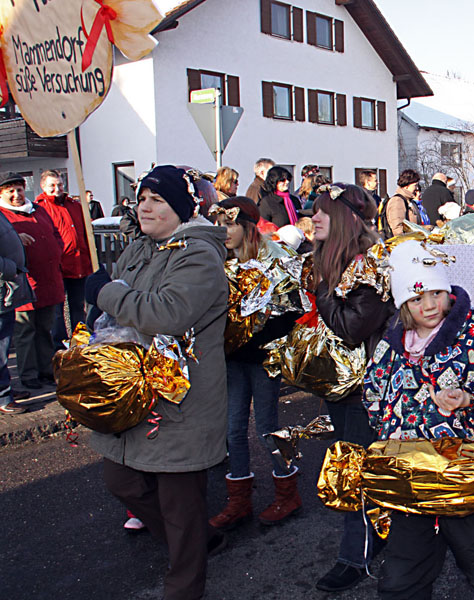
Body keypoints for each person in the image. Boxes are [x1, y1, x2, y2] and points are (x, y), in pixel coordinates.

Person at [84, 165, 229, 600]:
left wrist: (104, 293)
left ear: (181, 209)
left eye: (157, 200)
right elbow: (115, 305)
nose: (144, 207)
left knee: (179, 504)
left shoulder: (198, 254)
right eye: (142, 198)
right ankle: (198, 544)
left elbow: (167, 313)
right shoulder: (140, 247)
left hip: (181, 398)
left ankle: (184, 584)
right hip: (133, 390)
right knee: (122, 481)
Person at [363, 240, 474, 599]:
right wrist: (391, 434)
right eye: (417, 299)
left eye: (436, 293)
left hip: (462, 472)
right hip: (410, 478)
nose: (429, 306)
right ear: (404, 304)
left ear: (448, 292)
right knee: (402, 575)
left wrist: (469, 398)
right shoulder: (392, 346)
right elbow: (372, 393)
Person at [310, 183, 394, 592]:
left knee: (357, 468)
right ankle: (377, 535)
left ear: (348, 220)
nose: (314, 217)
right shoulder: (329, 260)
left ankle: (355, 557)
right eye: (313, 210)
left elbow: (350, 327)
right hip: (341, 385)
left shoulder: (368, 265)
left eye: (324, 211)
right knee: (355, 461)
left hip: (367, 388)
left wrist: (320, 288)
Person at [208, 197, 302, 530]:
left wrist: (260, 327)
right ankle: (239, 500)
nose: (224, 231)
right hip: (232, 360)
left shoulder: (276, 258)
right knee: (233, 428)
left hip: (263, 359)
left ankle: (287, 490)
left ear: (248, 226)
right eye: (219, 223)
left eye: (230, 223)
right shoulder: (218, 261)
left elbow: (294, 310)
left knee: (266, 428)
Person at [2, 174, 64, 391]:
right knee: (25, 330)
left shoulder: (38, 210)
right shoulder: (3, 216)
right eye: (10, 190)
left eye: (19, 189)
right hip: (22, 281)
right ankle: (28, 374)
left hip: (48, 279)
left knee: (45, 328)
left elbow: (55, 235)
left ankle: (46, 370)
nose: (16, 194)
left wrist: (56, 252)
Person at [34, 170, 92, 350]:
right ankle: (58, 346)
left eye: (59, 185)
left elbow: (84, 232)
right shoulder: (40, 207)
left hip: (79, 263)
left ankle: (80, 343)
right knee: (57, 310)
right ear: (44, 187)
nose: (57, 189)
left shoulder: (73, 205)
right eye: (52, 185)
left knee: (77, 306)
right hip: (57, 266)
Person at [0, 173, 40, 412]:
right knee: (1, 346)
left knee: (4, 342)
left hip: (6, 289)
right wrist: (10, 268)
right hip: (3, 285)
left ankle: (5, 388)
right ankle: (3, 398)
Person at [379, 169, 421, 239]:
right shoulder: (397, 201)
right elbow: (397, 228)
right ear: (407, 185)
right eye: (415, 185)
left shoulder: (408, 200)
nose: (416, 188)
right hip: (403, 244)